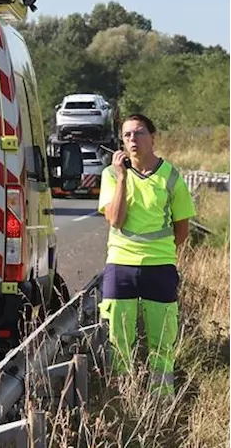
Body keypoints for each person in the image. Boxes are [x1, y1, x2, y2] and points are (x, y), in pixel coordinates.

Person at [97, 113, 196, 395]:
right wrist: (122, 177)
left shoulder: (171, 176)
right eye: (127, 135)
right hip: (120, 265)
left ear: (153, 137)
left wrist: (159, 252)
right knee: (119, 339)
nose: (133, 140)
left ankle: (160, 401)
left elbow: (181, 231)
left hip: (160, 266)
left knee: (162, 339)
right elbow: (115, 220)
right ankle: (123, 398)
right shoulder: (110, 176)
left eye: (139, 133)